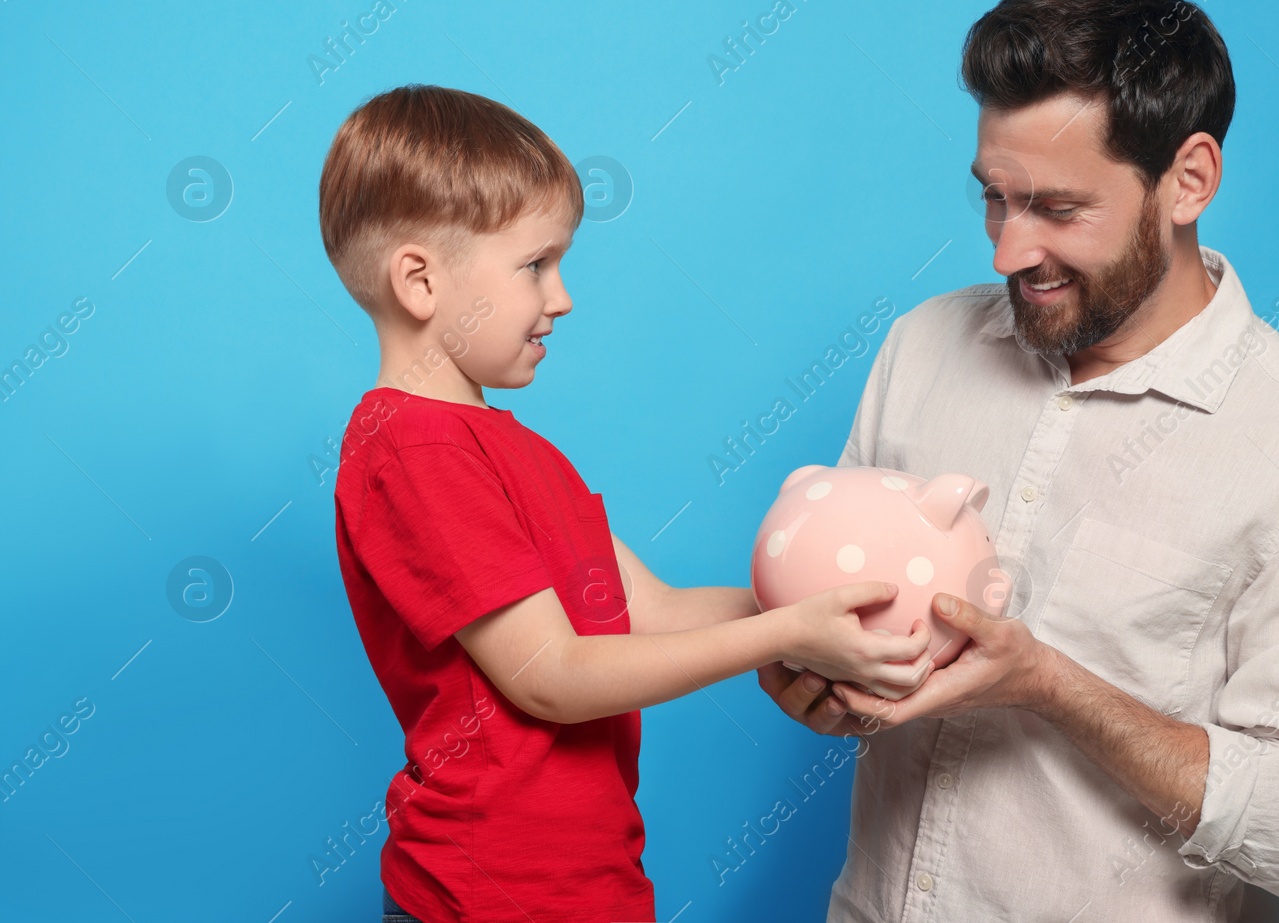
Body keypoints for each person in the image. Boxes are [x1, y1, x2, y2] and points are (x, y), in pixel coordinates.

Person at [759, 0, 1279, 921]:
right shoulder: (923, 346)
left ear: (1188, 180)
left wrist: (1052, 686)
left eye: (1059, 210)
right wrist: (818, 681)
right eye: (994, 197)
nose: (1007, 251)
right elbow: (840, 620)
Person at [319, 85, 934, 923]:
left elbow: (657, 609)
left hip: (590, 887)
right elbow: (552, 678)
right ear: (420, 280)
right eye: (535, 264)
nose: (561, 295)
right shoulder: (412, 449)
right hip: (487, 897)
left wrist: (826, 604)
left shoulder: (523, 453)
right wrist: (788, 632)